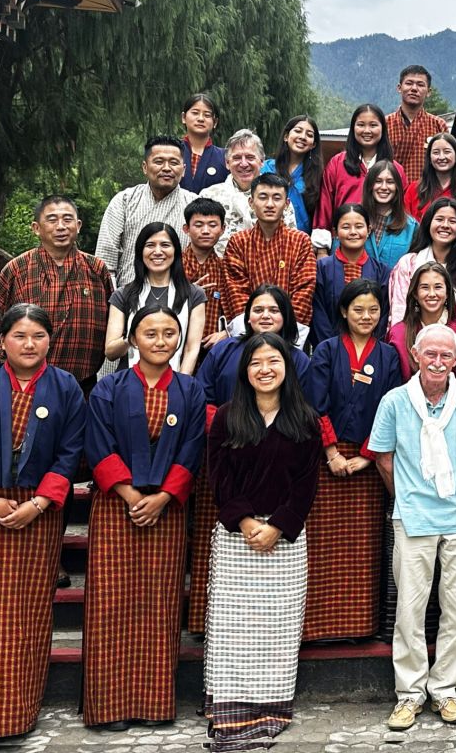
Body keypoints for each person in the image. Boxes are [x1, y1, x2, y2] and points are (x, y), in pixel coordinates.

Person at [0, 304, 84, 744]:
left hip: (38, 513)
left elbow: (72, 452)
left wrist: (42, 502)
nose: (29, 344)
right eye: (20, 336)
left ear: (51, 340)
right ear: (2, 341)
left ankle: (20, 715)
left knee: (28, 613)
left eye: (38, 336)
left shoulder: (66, 389)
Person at [83, 305, 205, 730]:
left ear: (179, 339)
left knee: (159, 605)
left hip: (166, 511)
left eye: (169, 333)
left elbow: (192, 446)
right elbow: (97, 443)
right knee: (110, 604)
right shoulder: (109, 388)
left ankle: (154, 703)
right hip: (116, 508)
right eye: (149, 333)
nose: (159, 341)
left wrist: (164, 496)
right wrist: (130, 492)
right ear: (133, 340)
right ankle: (108, 706)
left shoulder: (190, 390)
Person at [204, 332, 321, 750]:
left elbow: (307, 484)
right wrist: (246, 521)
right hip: (238, 539)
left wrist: (279, 525)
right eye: (256, 363)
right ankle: (231, 711)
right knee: (233, 627)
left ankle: (271, 707)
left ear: (287, 368)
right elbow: (217, 478)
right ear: (244, 370)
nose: (265, 369)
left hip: (285, 542)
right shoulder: (228, 417)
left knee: (276, 628)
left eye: (274, 361)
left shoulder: (304, 419)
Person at [372, 324, 456, 730]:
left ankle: (447, 690)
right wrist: (409, 494)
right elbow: (383, 457)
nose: (438, 362)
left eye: (446, 356)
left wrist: (452, 494)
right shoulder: (395, 401)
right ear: (415, 354)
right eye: (430, 354)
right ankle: (409, 693)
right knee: (410, 608)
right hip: (413, 516)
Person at [187, 285, 314, 636]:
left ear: (286, 317)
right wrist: (232, 426)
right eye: (258, 309)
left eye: (274, 310)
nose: (266, 316)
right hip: (232, 458)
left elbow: (306, 476)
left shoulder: (300, 360)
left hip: (281, 503)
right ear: (246, 315)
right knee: (230, 615)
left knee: (277, 618)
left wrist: (278, 525)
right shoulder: (224, 350)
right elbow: (203, 395)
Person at [306, 279, 402, 642]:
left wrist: (365, 456)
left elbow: (389, 411)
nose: (366, 316)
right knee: (325, 548)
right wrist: (331, 452)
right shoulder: (327, 350)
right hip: (327, 462)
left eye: (373, 310)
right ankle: (321, 625)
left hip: (369, 464)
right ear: (344, 312)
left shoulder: (388, 355)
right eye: (358, 309)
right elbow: (315, 405)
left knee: (362, 553)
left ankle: (359, 626)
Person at [0, 195, 113, 394]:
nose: (61, 226)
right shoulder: (17, 269)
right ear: (36, 228)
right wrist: (11, 364)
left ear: (78, 225)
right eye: (52, 220)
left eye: (67, 219)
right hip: (26, 382)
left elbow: (111, 322)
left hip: (83, 383)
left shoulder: (96, 269)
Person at [103, 222, 206, 374]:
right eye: (150, 245)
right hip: (128, 383)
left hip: (175, 381)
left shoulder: (194, 295)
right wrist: (133, 336)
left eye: (165, 245)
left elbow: (192, 349)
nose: (157, 251)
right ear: (140, 251)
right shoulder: (123, 294)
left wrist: (181, 386)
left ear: (176, 251)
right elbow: (110, 352)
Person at [95, 135, 196, 287]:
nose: (167, 168)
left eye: (174, 163)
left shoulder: (195, 205)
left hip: (179, 302)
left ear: (183, 170)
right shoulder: (124, 201)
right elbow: (105, 263)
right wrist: (116, 303)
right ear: (145, 167)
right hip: (127, 300)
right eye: (159, 162)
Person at [223, 173, 317, 326]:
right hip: (249, 329)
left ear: (286, 204)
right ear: (251, 203)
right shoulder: (238, 242)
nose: (270, 204)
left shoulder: (301, 241)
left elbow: (304, 291)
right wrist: (255, 325)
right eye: (263, 197)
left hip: (289, 331)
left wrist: (283, 326)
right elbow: (235, 292)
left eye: (277, 198)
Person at [199, 128, 298, 256]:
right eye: (237, 158)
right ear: (227, 163)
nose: (244, 164)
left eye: (250, 157)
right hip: (220, 272)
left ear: (261, 161)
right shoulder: (209, 196)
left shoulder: (278, 199)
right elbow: (199, 245)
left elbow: (291, 245)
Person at [389, 261, 456, 392]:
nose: (432, 294)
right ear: (415, 293)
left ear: (448, 293)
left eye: (438, 287)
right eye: (425, 287)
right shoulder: (398, 334)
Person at [388, 198, 456, 328]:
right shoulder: (409, 263)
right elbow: (399, 311)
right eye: (439, 219)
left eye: (452, 221)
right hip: (411, 339)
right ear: (428, 223)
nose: (445, 225)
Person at [312, 203, 392, 346]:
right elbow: (318, 315)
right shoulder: (322, 269)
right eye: (346, 227)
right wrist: (332, 349)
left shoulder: (382, 272)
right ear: (335, 232)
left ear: (369, 230)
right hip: (330, 350)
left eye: (359, 226)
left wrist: (370, 348)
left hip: (370, 352)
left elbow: (384, 315)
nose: (353, 232)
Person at [318, 104, 406, 230]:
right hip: (344, 238)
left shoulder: (395, 169)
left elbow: (402, 209)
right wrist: (322, 243)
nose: (367, 130)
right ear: (353, 128)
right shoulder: (337, 163)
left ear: (383, 129)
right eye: (361, 125)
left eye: (373, 125)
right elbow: (324, 204)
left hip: (384, 240)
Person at [260, 116, 324, 248]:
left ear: (313, 144)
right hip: (265, 240)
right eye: (298, 131)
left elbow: (321, 213)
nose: (302, 137)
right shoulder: (266, 168)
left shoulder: (318, 176)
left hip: (300, 244)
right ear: (286, 136)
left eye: (309, 134)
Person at [180, 197, 229, 360]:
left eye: (213, 225)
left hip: (212, 350)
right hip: (176, 346)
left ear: (223, 229)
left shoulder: (226, 268)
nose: (206, 231)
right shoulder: (174, 265)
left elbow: (234, 310)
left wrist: (225, 333)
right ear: (186, 229)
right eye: (198, 225)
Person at [387, 65, 449, 182]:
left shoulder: (439, 125)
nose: (414, 88)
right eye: (409, 83)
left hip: (427, 193)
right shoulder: (384, 124)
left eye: (420, 85)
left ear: (429, 92)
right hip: (392, 192)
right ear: (399, 88)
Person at [362, 160, 416, 270]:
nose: (384, 187)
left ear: (397, 187)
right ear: (370, 186)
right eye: (378, 181)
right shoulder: (355, 220)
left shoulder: (411, 227)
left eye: (390, 182)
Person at [404, 132, 456, 220]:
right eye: (436, 152)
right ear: (429, 158)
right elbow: (406, 223)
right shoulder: (414, 189)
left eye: (447, 152)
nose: (441, 157)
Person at [179, 93, 228, 193]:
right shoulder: (171, 150)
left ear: (215, 122)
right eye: (195, 113)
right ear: (184, 117)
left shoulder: (225, 156)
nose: (201, 119)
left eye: (207, 115)